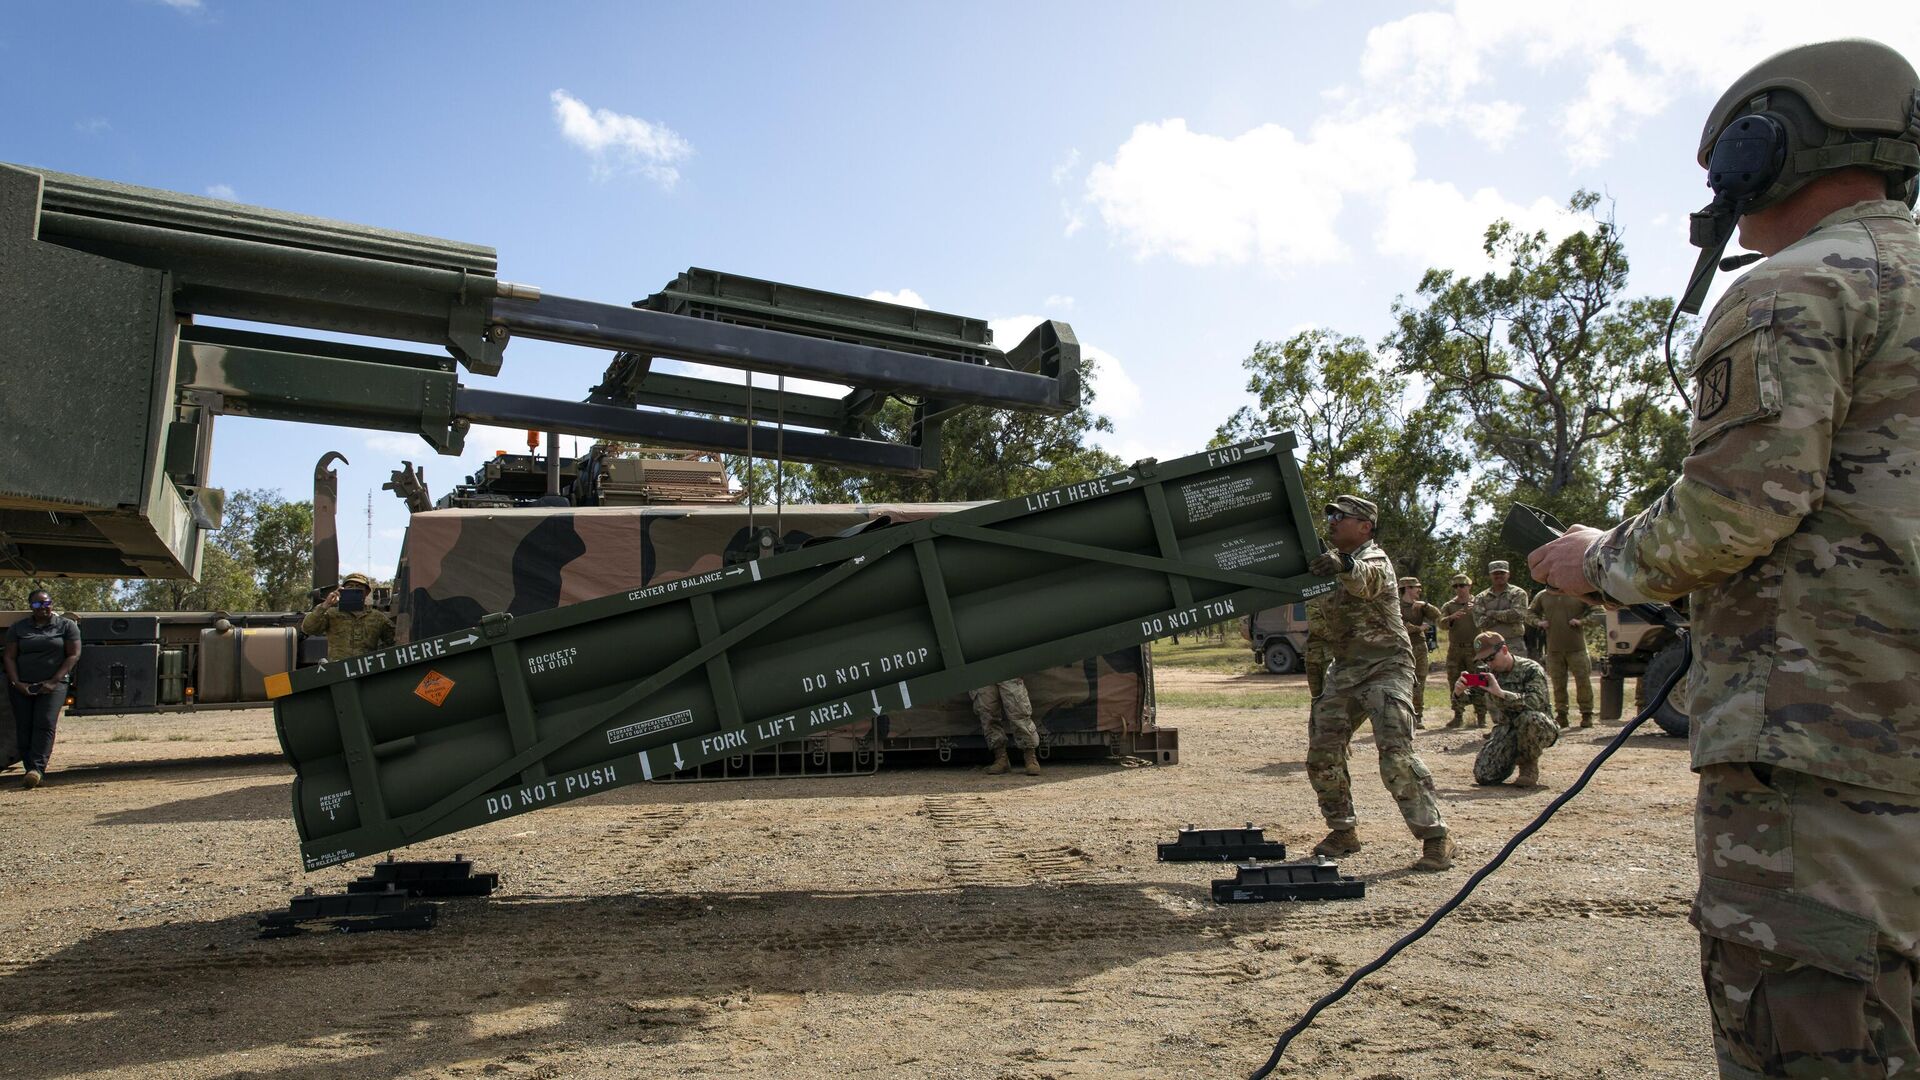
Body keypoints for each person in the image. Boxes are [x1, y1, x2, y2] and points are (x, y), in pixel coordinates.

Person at [1527, 38, 1920, 1078]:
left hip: (1825, 761)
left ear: (1763, 147)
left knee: (1815, 1028)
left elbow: (1733, 515)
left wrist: (1596, 560)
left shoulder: (1796, 288)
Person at [1303, 495, 1453, 872]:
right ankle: (1343, 831)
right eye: (1332, 516)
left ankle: (1436, 838)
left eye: (1342, 516)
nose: (1333, 521)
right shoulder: (1326, 565)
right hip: (1347, 669)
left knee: (1395, 752)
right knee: (1323, 752)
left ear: (1365, 526)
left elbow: (1365, 580)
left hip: (1387, 667)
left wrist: (1343, 563)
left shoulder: (1374, 559)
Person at [1453, 632, 1556, 788]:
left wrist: (1501, 693)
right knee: (1484, 776)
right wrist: (1459, 692)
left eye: (1491, 658)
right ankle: (1512, 755)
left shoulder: (1531, 669)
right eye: (1483, 660)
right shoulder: (1489, 673)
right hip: (1508, 729)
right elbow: (1473, 699)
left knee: (1528, 718)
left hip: (1539, 727)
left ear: (1505, 650)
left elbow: (1534, 702)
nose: (1489, 663)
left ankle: (1528, 766)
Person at [4, 590, 82, 789]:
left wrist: (54, 681)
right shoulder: (18, 628)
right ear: (31, 606)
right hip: (23, 685)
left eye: (46, 603)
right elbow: (10, 656)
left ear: (52, 604)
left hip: (53, 684)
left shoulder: (66, 626)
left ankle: (37, 769)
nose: (43, 608)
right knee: (24, 725)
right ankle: (29, 768)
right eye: (38, 605)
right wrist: (16, 682)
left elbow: (73, 655)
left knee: (45, 723)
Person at [1529, 588, 1597, 728]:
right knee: (1558, 684)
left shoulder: (1578, 592)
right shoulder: (1543, 595)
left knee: (1583, 682)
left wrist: (1582, 621)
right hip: (1553, 649)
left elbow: (1598, 611)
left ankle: (1586, 714)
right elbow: (1529, 613)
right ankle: (1561, 715)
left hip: (1577, 648)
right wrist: (1538, 622)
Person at [301, 571, 394, 661]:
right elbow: (308, 628)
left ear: (366, 592)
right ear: (342, 591)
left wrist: (376, 658)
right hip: (338, 671)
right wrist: (325, 605)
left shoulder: (377, 617)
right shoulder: (332, 614)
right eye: (350, 587)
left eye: (358, 587)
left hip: (366, 671)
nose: (353, 589)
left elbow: (393, 641)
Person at [1439, 573, 1486, 729]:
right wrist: (1451, 617)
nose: (1459, 589)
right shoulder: (1449, 605)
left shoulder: (1478, 603)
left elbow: (1487, 620)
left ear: (1469, 586)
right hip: (1455, 649)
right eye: (1456, 586)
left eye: (1462, 585)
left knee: (1477, 680)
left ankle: (1481, 716)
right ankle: (1458, 716)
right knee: (1455, 681)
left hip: (1475, 648)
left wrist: (1476, 611)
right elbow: (1441, 624)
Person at [969, 677, 1040, 776]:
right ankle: (1001, 757)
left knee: (1018, 711)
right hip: (980, 670)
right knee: (987, 712)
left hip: (1007, 669)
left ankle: (1030, 757)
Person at [1399, 577, 1441, 726]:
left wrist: (1426, 605)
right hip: (1402, 648)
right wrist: (1419, 628)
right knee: (1402, 681)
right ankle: (1403, 715)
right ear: (1408, 588)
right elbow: (1401, 626)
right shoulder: (1396, 605)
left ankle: (1418, 716)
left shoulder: (1420, 606)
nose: (1419, 590)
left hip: (1420, 648)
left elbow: (1438, 616)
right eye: (1416, 587)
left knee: (1420, 680)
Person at [1470, 561, 1531, 659]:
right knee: (1492, 673)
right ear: (1490, 575)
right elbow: (1479, 622)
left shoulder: (1518, 593)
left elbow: (1518, 614)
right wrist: (1505, 615)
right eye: (1495, 573)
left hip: (1514, 644)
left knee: (1517, 672)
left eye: (1502, 573)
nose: (1499, 576)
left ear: (1508, 574)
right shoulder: (1481, 597)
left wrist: (1492, 613)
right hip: (1490, 645)